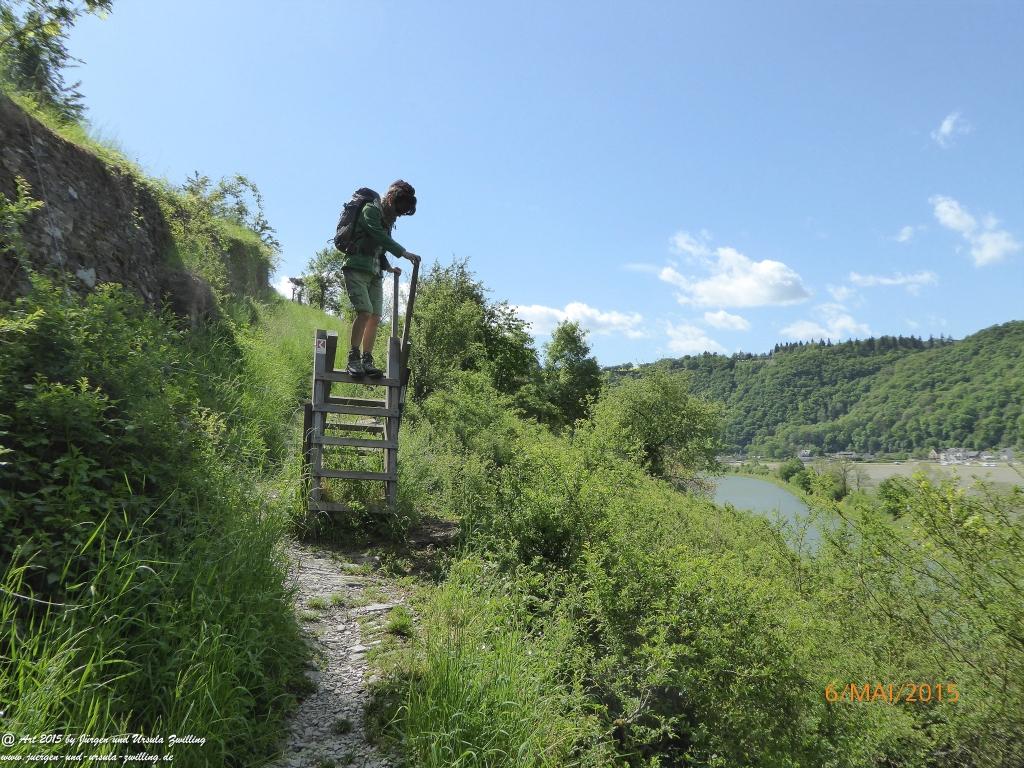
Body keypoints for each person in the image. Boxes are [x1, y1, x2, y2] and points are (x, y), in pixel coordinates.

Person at [338, 180, 421, 377]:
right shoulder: (371, 210)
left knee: (375, 316)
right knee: (365, 312)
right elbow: (376, 234)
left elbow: (379, 247)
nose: (399, 213)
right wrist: (404, 252)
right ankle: (353, 357)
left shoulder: (388, 219)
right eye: (399, 208)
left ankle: (367, 358)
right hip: (356, 266)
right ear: (391, 198)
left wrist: (389, 267)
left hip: (375, 272)